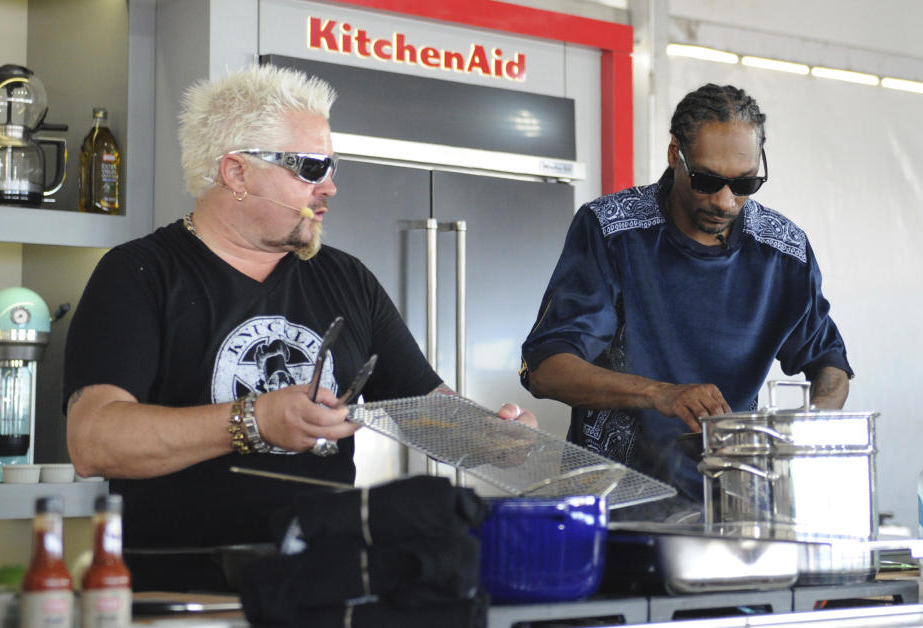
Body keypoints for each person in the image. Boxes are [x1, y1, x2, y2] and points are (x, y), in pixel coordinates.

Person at [63, 64, 535, 592]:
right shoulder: (141, 273)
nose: (329, 187)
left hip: (324, 587)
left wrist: (493, 438)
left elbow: (426, 409)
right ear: (237, 172)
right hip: (182, 594)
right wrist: (253, 419)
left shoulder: (346, 278)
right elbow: (94, 440)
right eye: (310, 168)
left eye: (332, 167)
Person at [519, 83, 852, 508]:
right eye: (707, 180)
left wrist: (815, 420)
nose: (726, 201)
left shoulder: (782, 251)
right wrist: (660, 393)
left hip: (736, 506)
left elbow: (829, 362)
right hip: (613, 506)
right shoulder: (611, 231)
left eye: (745, 183)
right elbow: (546, 369)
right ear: (675, 154)